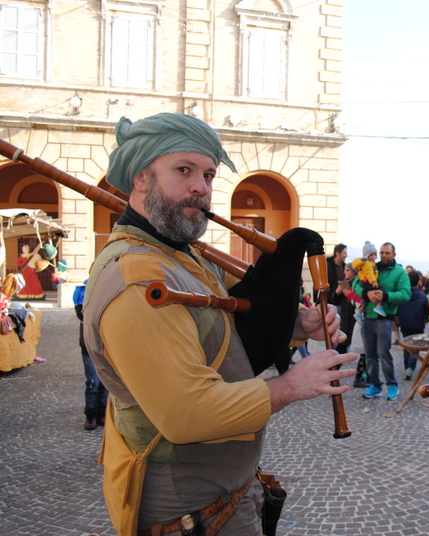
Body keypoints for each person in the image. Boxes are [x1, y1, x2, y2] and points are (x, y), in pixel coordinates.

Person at [81, 113, 355, 536]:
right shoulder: (136, 279)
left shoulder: (182, 255)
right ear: (141, 178)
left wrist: (298, 326)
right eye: (183, 170)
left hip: (220, 496)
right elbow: (185, 413)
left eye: (208, 174)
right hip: (187, 509)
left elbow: (219, 329)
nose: (201, 187)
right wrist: (290, 385)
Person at [354, 242, 411, 401]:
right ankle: (375, 386)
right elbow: (355, 284)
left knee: (383, 354)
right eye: (382, 252)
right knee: (370, 355)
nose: (384, 255)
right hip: (367, 318)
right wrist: (366, 293)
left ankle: (392, 385)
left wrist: (386, 296)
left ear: (394, 254)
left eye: (387, 252)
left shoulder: (399, 272)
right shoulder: (371, 266)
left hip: (385, 319)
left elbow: (406, 294)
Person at [73, 280, 108, 430]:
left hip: (106, 346)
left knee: (106, 382)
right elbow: (83, 316)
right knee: (93, 383)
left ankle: (102, 414)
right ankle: (91, 415)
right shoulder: (83, 293)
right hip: (89, 346)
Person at [396, 270, 429, 380]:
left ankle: (407, 367)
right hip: (418, 325)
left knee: (406, 345)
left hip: (404, 324)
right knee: (416, 346)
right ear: (418, 282)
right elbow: (427, 312)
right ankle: (410, 368)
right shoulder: (422, 296)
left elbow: (397, 309)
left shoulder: (402, 295)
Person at [326, 244, 352, 354]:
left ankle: (338, 351)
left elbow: (345, 285)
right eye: (344, 253)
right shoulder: (327, 266)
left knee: (341, 328)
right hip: (330, 302)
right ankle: (332, 352)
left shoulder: (345, 267)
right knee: (331, 331)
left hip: (341, 302)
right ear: (337, 253)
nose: (346, 255)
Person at [351, 241, 386, 318]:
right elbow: (369, 273)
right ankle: (379, 306)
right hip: (368, 281)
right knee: (380, 290)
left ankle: (359, 312)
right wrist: (373, 282)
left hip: (364, 281)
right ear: (367, 256)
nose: (373, 257)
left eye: (374, 254)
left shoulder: (367, 263)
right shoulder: (368, 264)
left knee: (366, 297)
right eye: (371, 255)